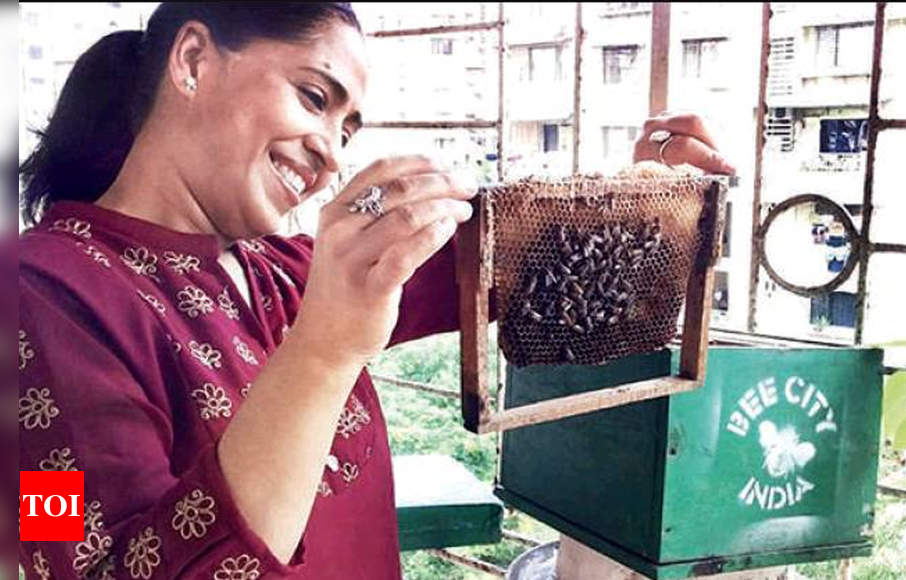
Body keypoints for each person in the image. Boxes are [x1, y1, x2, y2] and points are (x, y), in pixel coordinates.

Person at [17, 3, 734, 578]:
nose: (331, 152)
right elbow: (68, 553)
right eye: (313, 96)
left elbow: (518, 265)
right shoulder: (35, 293)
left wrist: (649, 195)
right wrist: (324, 350)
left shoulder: (288, 270)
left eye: (346, 127)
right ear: (194, 59)